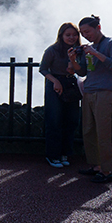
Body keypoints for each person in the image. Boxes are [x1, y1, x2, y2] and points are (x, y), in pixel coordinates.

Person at [69, 15, 112, 183]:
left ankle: (107, 170)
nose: (85, 35)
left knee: (104, 132)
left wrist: (96, 53)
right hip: (90, 92)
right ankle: (97, 166)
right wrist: (73, 60)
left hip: (107, 93)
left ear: (98, 27)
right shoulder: (90, 47)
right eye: (83, 33)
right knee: (89, 131)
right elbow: (83, 72)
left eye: (88, 31)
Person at [39, 22, 82, 168]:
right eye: (68, 35)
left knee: (71, 120)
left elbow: (77, 70)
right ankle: (52, 155)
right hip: (55, 84)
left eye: (74, 35)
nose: (71, 37)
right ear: (61, 35)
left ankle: (65, 153)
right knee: (54, 119)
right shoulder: (52, 50)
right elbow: (43, 69)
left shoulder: (79, 51)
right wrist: (55, 81)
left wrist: (72, 60)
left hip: (71, 83)